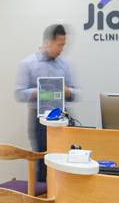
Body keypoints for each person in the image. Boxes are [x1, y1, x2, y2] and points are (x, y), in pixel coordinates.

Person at [14, 24, 78, 188]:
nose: (62, 49)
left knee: (64, 161)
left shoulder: (64, 65)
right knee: (43, 161)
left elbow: (76, 92)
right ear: (49, 42)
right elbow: (19, 93)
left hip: (62, 117)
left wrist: (68, 91)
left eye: (64, 45)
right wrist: (43, 90)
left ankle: (62, 200)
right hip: (40, 120)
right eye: (60, 44)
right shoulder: (28, 63)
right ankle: (43, 202)